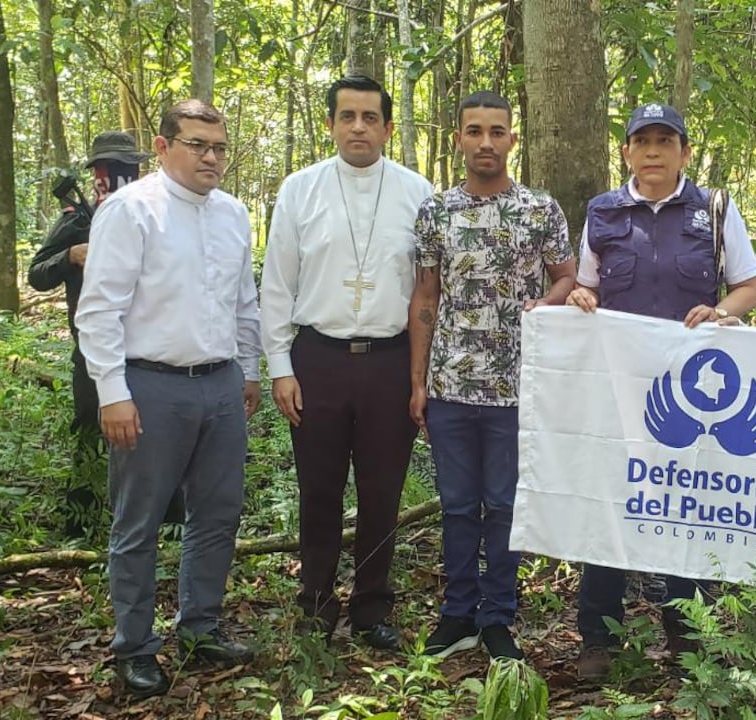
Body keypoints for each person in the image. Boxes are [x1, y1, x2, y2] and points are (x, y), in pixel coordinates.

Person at [565, 102, 756, 680]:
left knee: (685, 504)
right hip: (617, 388)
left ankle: (686, 637)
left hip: (690, 397)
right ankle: (598, 639)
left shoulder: (715, 210)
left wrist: (722, 312)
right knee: (612, 504)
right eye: (641, 141)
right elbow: (586, 286)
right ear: (625, 151)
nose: (652, 151)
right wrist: (580, 299)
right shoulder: (603, 211)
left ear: (685, 152)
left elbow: (747, 286)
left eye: (665, 141)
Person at [75, 99, 262, 698]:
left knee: (218, 512)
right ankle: (134, 645)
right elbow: (99, 308)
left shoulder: (233, 215)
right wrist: (112, 393)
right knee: (141, 520)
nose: (211, 157)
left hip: (220, 383)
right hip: (148, 385)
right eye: (197, 145)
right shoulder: (131, 210)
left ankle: (200, 625)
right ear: (162, 147)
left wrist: (249, 371)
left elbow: (243, 302)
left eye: (220, 147)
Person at [260, 75, 432, 651]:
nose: (358, 127)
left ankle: (371, 607)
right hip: (319, 358)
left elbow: (428, 291)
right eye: (347, 116)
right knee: (320, 488)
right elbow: (278, 284)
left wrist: (420, 374)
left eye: (370, 117)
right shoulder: (300, 189)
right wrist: (281, 365)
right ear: (331, 124)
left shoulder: (417, 192)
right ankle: (314, 603)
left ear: (386, 126)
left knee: (383, 490)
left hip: (389, 360)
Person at [409, 91, 576, 661]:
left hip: (517, 387)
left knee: (504, 505)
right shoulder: (436, 211)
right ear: (458, 138)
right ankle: (457, 612)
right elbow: (426, 296)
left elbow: (565, 278)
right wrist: (418, 383)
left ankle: (498, 615)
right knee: (457, 504)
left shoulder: (539, 209)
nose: (486, 141)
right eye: (474, 131)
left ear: (512, 138)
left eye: (497, 131)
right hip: (451, 385)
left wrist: (546, 302)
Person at [29, 132, 188, 537]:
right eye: (109, 169)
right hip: (93, 349)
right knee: (89, 426)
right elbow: (37, 274)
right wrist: (72, 255)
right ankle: (80, 521)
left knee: (157, 431)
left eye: (124, 168)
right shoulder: (75, 220)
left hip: (152, 347)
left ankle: (169, 518)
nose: (115, 176)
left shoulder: (159, 213)